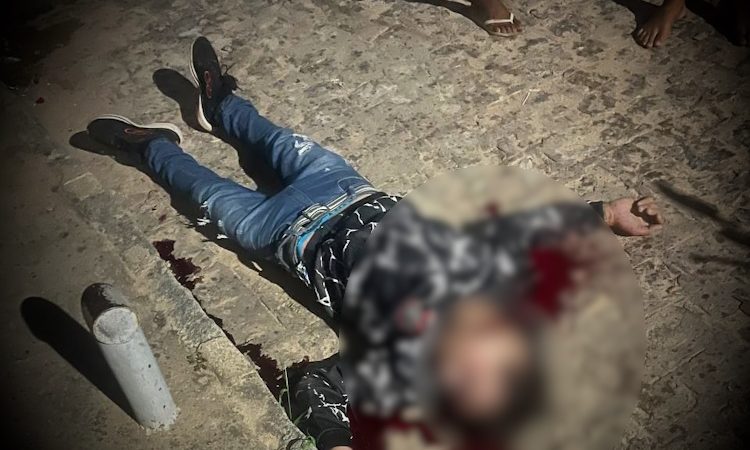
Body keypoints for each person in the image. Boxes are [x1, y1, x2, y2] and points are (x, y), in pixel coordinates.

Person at [84, 37, 663, 450]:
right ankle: (221, 105)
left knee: (200, 191)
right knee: (274, 139)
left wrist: (336, 443)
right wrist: (606, 216)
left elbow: (313, 388)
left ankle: (151, 146)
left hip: (282, 233)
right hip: (343, 187)